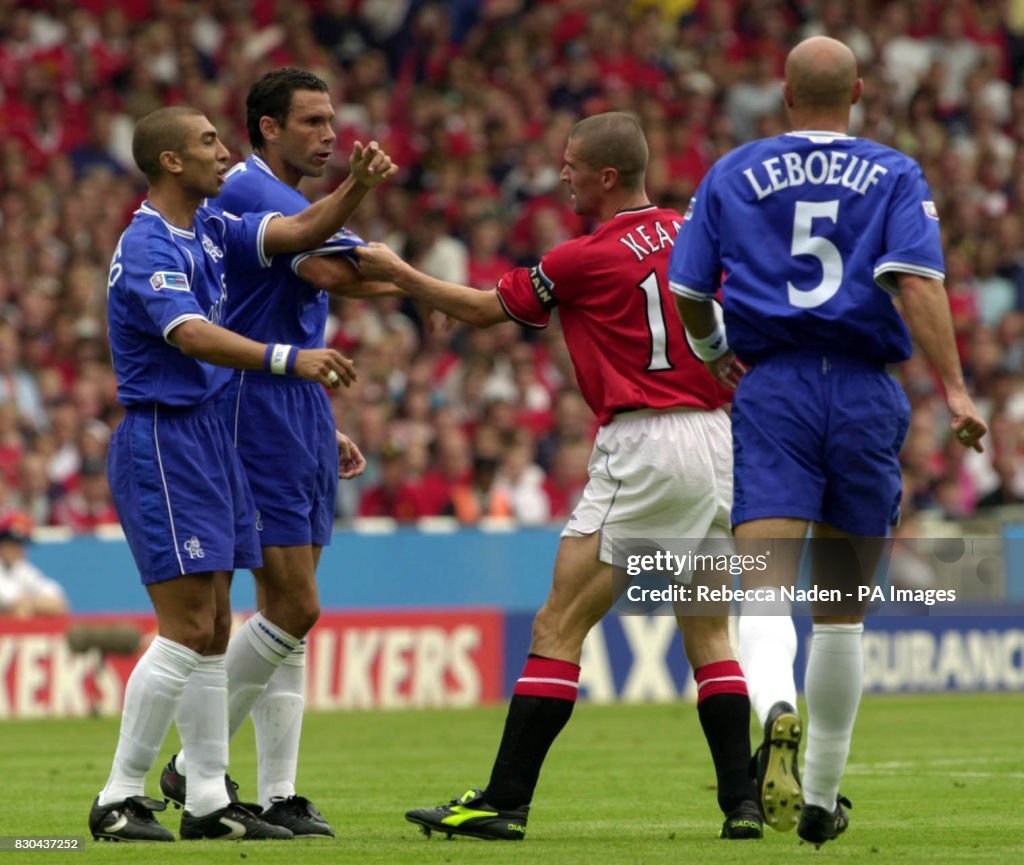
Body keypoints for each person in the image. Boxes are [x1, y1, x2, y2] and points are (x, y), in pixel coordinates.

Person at [357, 111, 763, 841]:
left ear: (607, 175)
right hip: (716, 439)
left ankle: (504, 798)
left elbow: (486, 310)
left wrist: (399, 275)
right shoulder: (697, 233)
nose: (562, 174)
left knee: (559, 621)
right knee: (708, 630)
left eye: (572, 164)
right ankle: (743, 803)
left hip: (645, 440)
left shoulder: (583, 256)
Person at [669, 36, 987, 847]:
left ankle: (773, 701)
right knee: (842, 613)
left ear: (784, 93)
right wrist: (953, 387)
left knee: (764, 588)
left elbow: (688, 289)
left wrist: (714, 354)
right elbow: (915, 282)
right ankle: (821, 795)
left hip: (772, 386)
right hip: (861, 388)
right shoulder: (892, 172)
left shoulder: (734, 171)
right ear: (856, 93)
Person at [89, 104, 395, 843]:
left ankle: (204, 800)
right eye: (206, 142)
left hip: (214, 435)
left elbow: (297, 234)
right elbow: (190, 334)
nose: (222, 151)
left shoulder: (214, 230)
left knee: (221, 627)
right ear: (170, 161)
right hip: (166, 439)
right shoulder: (149, 243)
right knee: (188, 625)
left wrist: (354, 186)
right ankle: (117, 796)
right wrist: (292, 359)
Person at [0, 511, 68, 617]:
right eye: (13, 545)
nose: (19, 551)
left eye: (21, 545)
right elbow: (12, 604)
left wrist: (30, 605)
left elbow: (59, 602)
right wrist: (32, 606)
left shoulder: (22, 568)